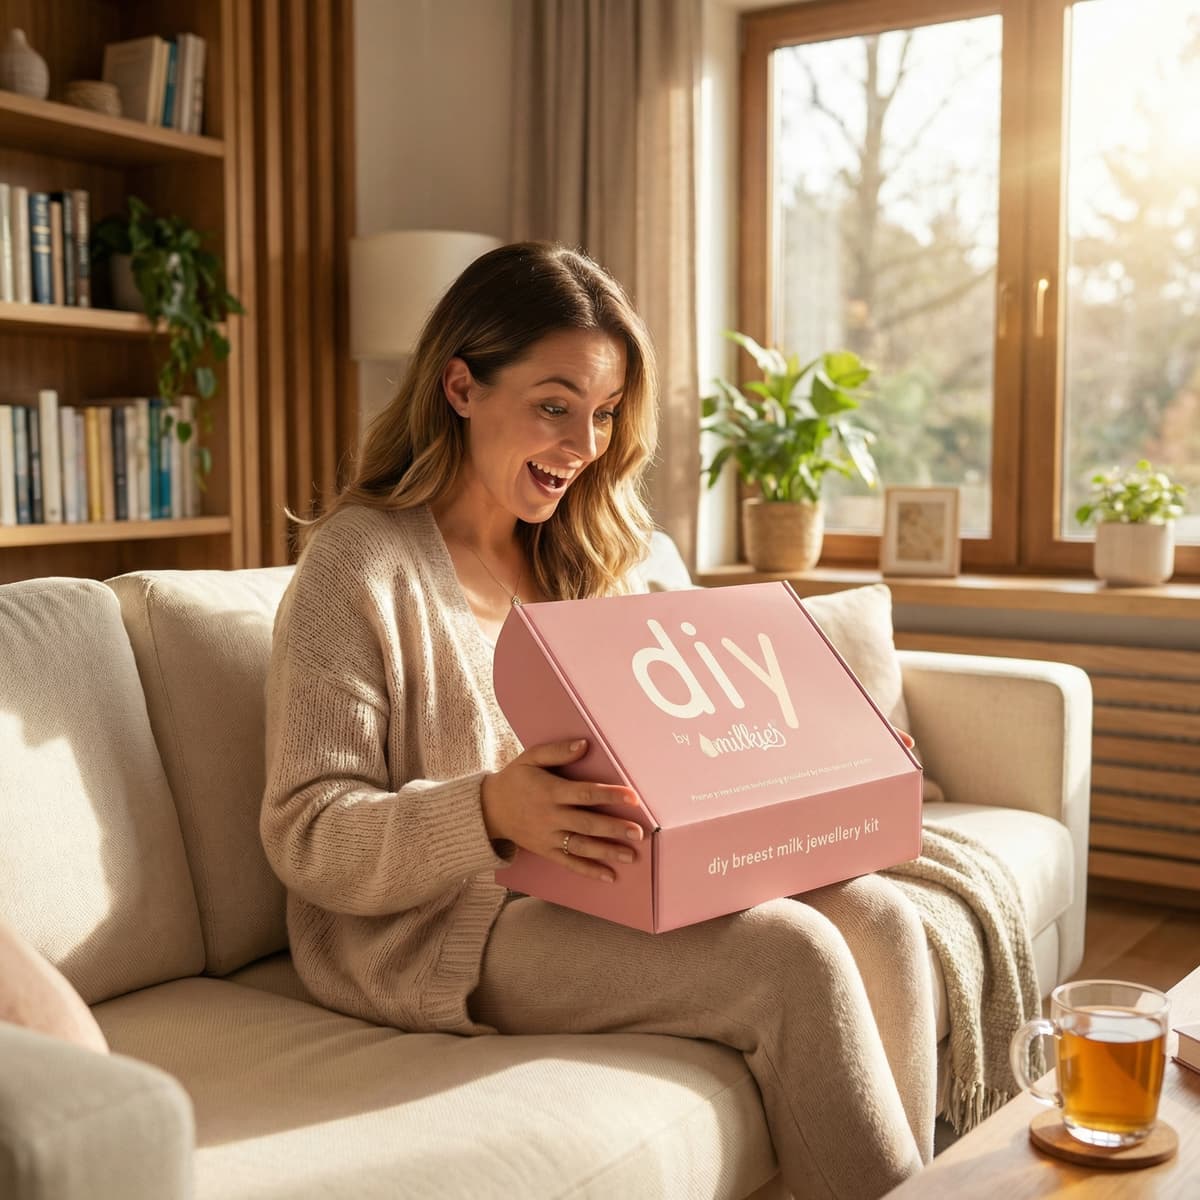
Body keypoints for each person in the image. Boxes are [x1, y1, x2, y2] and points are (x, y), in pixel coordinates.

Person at [261, 241, 936, 1199]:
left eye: (606, 413)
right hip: (446, 927)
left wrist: (828, 770)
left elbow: (701, 752)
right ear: (461, 386)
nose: (584, 445)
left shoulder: (602, 556)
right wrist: (491, 809)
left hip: (609, 883)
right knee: (793, 960)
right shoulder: (358, 567)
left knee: (882, 919)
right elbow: (307, 833)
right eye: (554, 404)